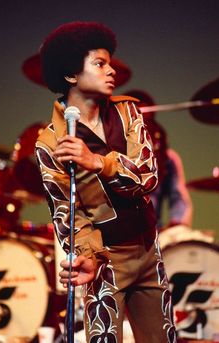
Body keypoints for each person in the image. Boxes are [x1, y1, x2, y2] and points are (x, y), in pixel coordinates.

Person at [35, 21, 176, 343]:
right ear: (71, 75)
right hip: (104, 263)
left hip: (148, 250)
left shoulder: (128, 113)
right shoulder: (50, 143)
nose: (111, 70)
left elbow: (148, 176)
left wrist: (97, 161)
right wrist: (85, 254)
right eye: (100, 63)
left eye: (110, 63)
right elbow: (65, 213)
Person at [124, 89, 193, 230]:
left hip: (153, 234)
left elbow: (178, 198)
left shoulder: (168, 158)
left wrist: (178, 225)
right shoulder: (108, 150)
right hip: (113, 234)